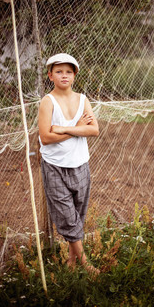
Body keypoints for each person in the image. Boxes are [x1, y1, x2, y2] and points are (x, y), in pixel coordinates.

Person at [38, 53, 100, 275]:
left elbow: (94, 130)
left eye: (68, 71)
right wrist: (77, 128)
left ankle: (71, 262)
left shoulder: (83, 100)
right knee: (66, 215)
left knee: (77, 215)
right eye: (58, 71)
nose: (64, 75)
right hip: (54, 166)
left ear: (74, 75)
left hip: (80, 164)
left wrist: (64, 128)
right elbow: (45, 137)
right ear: (50, 75)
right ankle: (85, 263)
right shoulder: (48, 102)